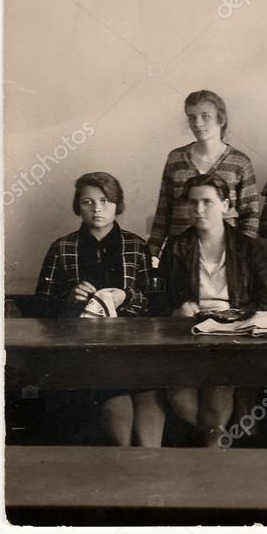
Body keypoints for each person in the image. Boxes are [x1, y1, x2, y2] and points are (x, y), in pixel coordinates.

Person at [34, 172, 163, 447]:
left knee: (150, 398)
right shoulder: (62, 248)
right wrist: (69, 298)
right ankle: (126, 465)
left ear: (118, 204)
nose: (97, 209)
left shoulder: (136, 246)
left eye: (105, 201)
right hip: (83, 351)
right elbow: (40, 307)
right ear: (77, 206)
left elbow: (156, 302)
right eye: (87, 202)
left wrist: (126, 297)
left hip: (133, 346)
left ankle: (150, 470)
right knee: (117, 403)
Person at [160, 173, 267, 447]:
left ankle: (211, 450)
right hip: (189, 334)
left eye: (208, 202)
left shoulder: (248, 248)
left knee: (216, 391)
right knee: (180, 397)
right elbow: (158, 298)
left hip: (233, 335)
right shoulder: (177, 247)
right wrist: (178, 310)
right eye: (193, 202)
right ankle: (214, 438)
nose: (199, 209)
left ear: (225, 205)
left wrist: (238, 316)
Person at [149, 89, 259, 260]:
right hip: (180, 252)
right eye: (192, 117)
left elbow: (250, 215)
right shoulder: (175, 159)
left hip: (224, 253)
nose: (197, 123)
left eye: (205, 116)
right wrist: (152, 252)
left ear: (220, 119)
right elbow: (163, 210)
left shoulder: (240, 162)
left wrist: (240, 252)